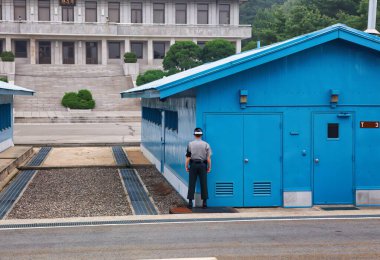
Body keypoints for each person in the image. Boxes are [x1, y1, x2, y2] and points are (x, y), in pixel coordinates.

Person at [185, 127, 212, 209]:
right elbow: (208, 158)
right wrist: (209, 167)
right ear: (201, 135)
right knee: (204, 183)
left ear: (194, 135)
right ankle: (204, 203)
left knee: (191, 183)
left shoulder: (190, 144)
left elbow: (188, 157)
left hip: (193, 165)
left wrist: (186, 166)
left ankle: (190, 203)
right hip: (202, 165)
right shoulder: (206, 144)